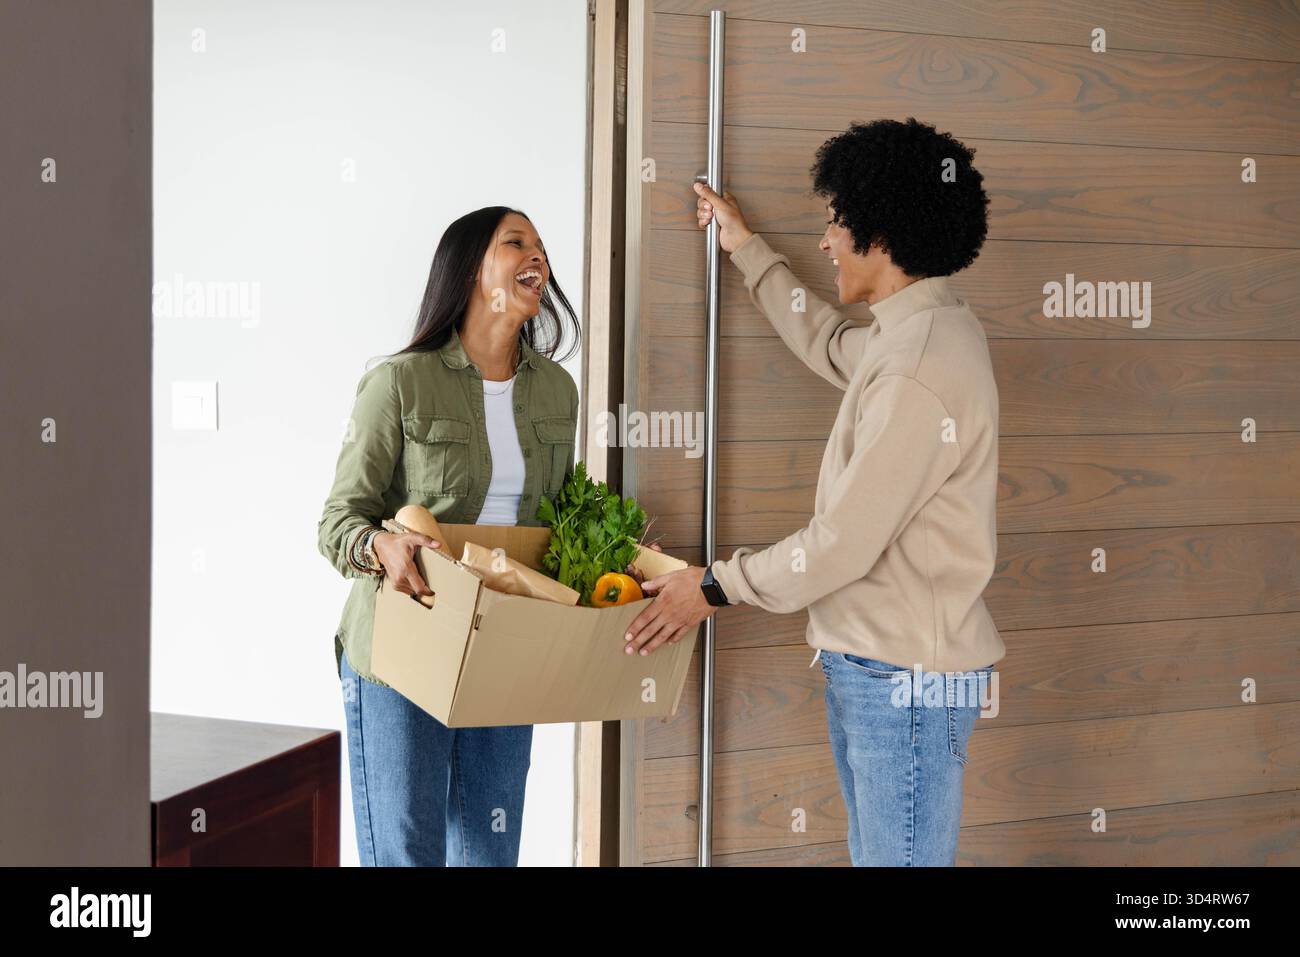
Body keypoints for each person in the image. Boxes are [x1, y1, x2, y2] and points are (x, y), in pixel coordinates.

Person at [624, 117, 1005, 866]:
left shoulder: (918, 367)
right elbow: (832, 344)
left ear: (882, 232)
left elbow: (839, 546)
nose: (826, 239)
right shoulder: (921, 333)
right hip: (885, 668)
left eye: (836, 221)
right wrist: (746, 249)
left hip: (906, 680)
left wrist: (712, 586)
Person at [317, 206, 582, 866]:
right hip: (403, 644)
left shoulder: (557, 391)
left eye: (542, 247)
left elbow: (556, 524)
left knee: (490, 853)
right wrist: (381, 544)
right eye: (516, 242)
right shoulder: (399, 383)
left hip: (503, 642)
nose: (537, 256)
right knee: (410, 853)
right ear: (469, 270)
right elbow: (338, 522)